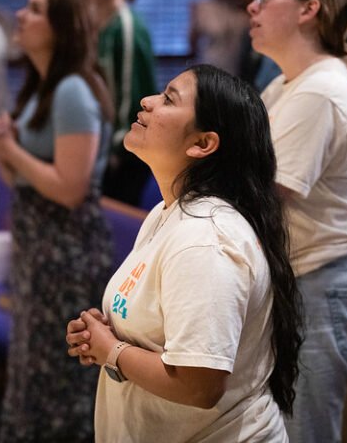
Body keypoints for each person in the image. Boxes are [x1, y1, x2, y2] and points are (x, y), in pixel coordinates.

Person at [65, 64, 302, 442]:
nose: (147, 101)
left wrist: (112, 350)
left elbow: (199, 385)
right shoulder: (168, 212)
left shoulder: (206, 239)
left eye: (168, 99)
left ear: (203, 144)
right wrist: (105, 336)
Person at [247, 0, 347, 443]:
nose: (254, 5)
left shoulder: (321, 90)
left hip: (319, 286)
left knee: (304, 435)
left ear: (309, 8)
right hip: (300, 284)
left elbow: (262, 192)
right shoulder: (288, 83)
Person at [0, 0, 113, 442]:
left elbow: (71, 188)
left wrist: (10, 151)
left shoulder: (74, 88)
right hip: (41, 250)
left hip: (66, 255)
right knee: (32, 374)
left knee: (58, 381)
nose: (21, 15)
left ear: (60, 27)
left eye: (34, 9)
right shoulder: (41, 87)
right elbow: (29, 181)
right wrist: (1, 148)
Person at [79, 0, 158, 207]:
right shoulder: (97, 23)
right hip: (104, 141)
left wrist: (116, 149)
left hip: (124, 149)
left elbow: (129, 94)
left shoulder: (126, 26)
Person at [188, 0, 248, 75]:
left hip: (237, 70)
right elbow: (192, 42)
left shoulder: (242, 8)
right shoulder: (203, 7)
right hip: (209, 67)